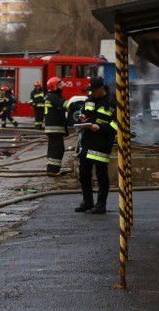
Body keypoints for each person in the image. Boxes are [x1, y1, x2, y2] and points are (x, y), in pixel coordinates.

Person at [74, 77, 118, 214]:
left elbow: (117, 124)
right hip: (88, 140)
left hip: (102, 142)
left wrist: (100, 127)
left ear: (101, 89)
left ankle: (101, 205)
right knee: (84, 174)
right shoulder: (90, 100)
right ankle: (87, 202)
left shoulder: (113, 102)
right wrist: (81, 118)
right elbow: (84, 113)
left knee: (101, 175)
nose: (91, 93)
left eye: (93, 90)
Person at [43, 76, 67, 174]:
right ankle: (53, 171)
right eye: (59, 84)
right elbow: (65, 104)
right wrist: (80, 106)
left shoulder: (53, 96)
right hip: (55, 128)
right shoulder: (53, 96)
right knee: (57, 149)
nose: (62, 85)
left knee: (54, 148)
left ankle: (51, 169)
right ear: (54, 86)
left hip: (54, 129)